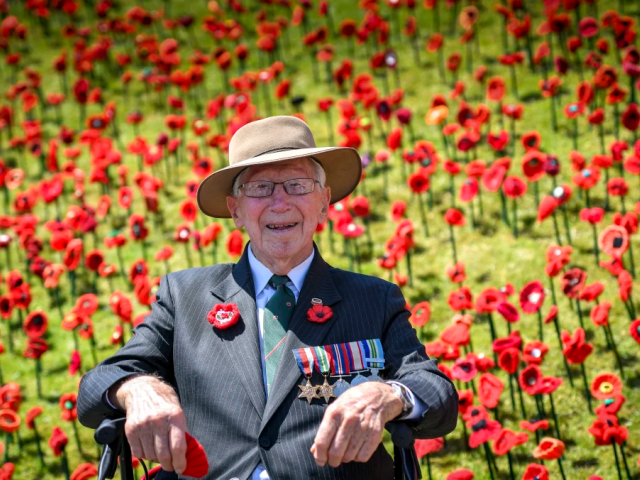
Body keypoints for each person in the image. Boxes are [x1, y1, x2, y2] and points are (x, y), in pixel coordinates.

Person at [77, 116, 458, 480]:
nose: (280, 203)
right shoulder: (185, 295)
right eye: (260, 188)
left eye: (297, 185)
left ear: (324, 202)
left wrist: (388, 394)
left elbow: (436, 394)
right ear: (235, 210)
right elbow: (97, 386)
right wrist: (139, 389)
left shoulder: (373, 298)